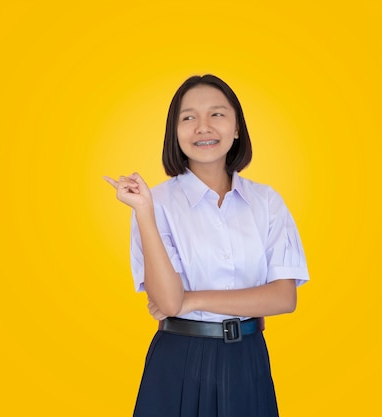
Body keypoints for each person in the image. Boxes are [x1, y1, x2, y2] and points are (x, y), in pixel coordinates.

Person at [104, 74, 309, 417]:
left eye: (217, 114)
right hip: (178, 360)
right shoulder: (156, 203)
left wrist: (194, 299)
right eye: (188, 117)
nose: (203, 127)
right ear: (175, 132)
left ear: (237, 127)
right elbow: (168, 302)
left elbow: (284, 298)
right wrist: (144, 211)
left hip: (248, 358)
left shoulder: (267, 202)